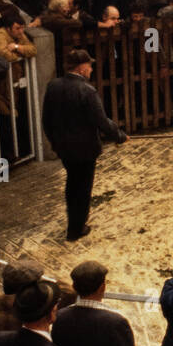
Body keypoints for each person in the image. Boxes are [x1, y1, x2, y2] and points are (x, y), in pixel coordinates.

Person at [41, 47, 128, 240]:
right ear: (81, 68)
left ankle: (74, 223)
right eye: (89, 66)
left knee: (72, 184)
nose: (90, 70)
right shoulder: (86, 90)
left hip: (64, 147)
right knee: (82, 188)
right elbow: (102, 121)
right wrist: (119, 136)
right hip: (85, 149)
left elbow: (46, 119)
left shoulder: (53, 85)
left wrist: (55, 142)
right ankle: (76, 228)